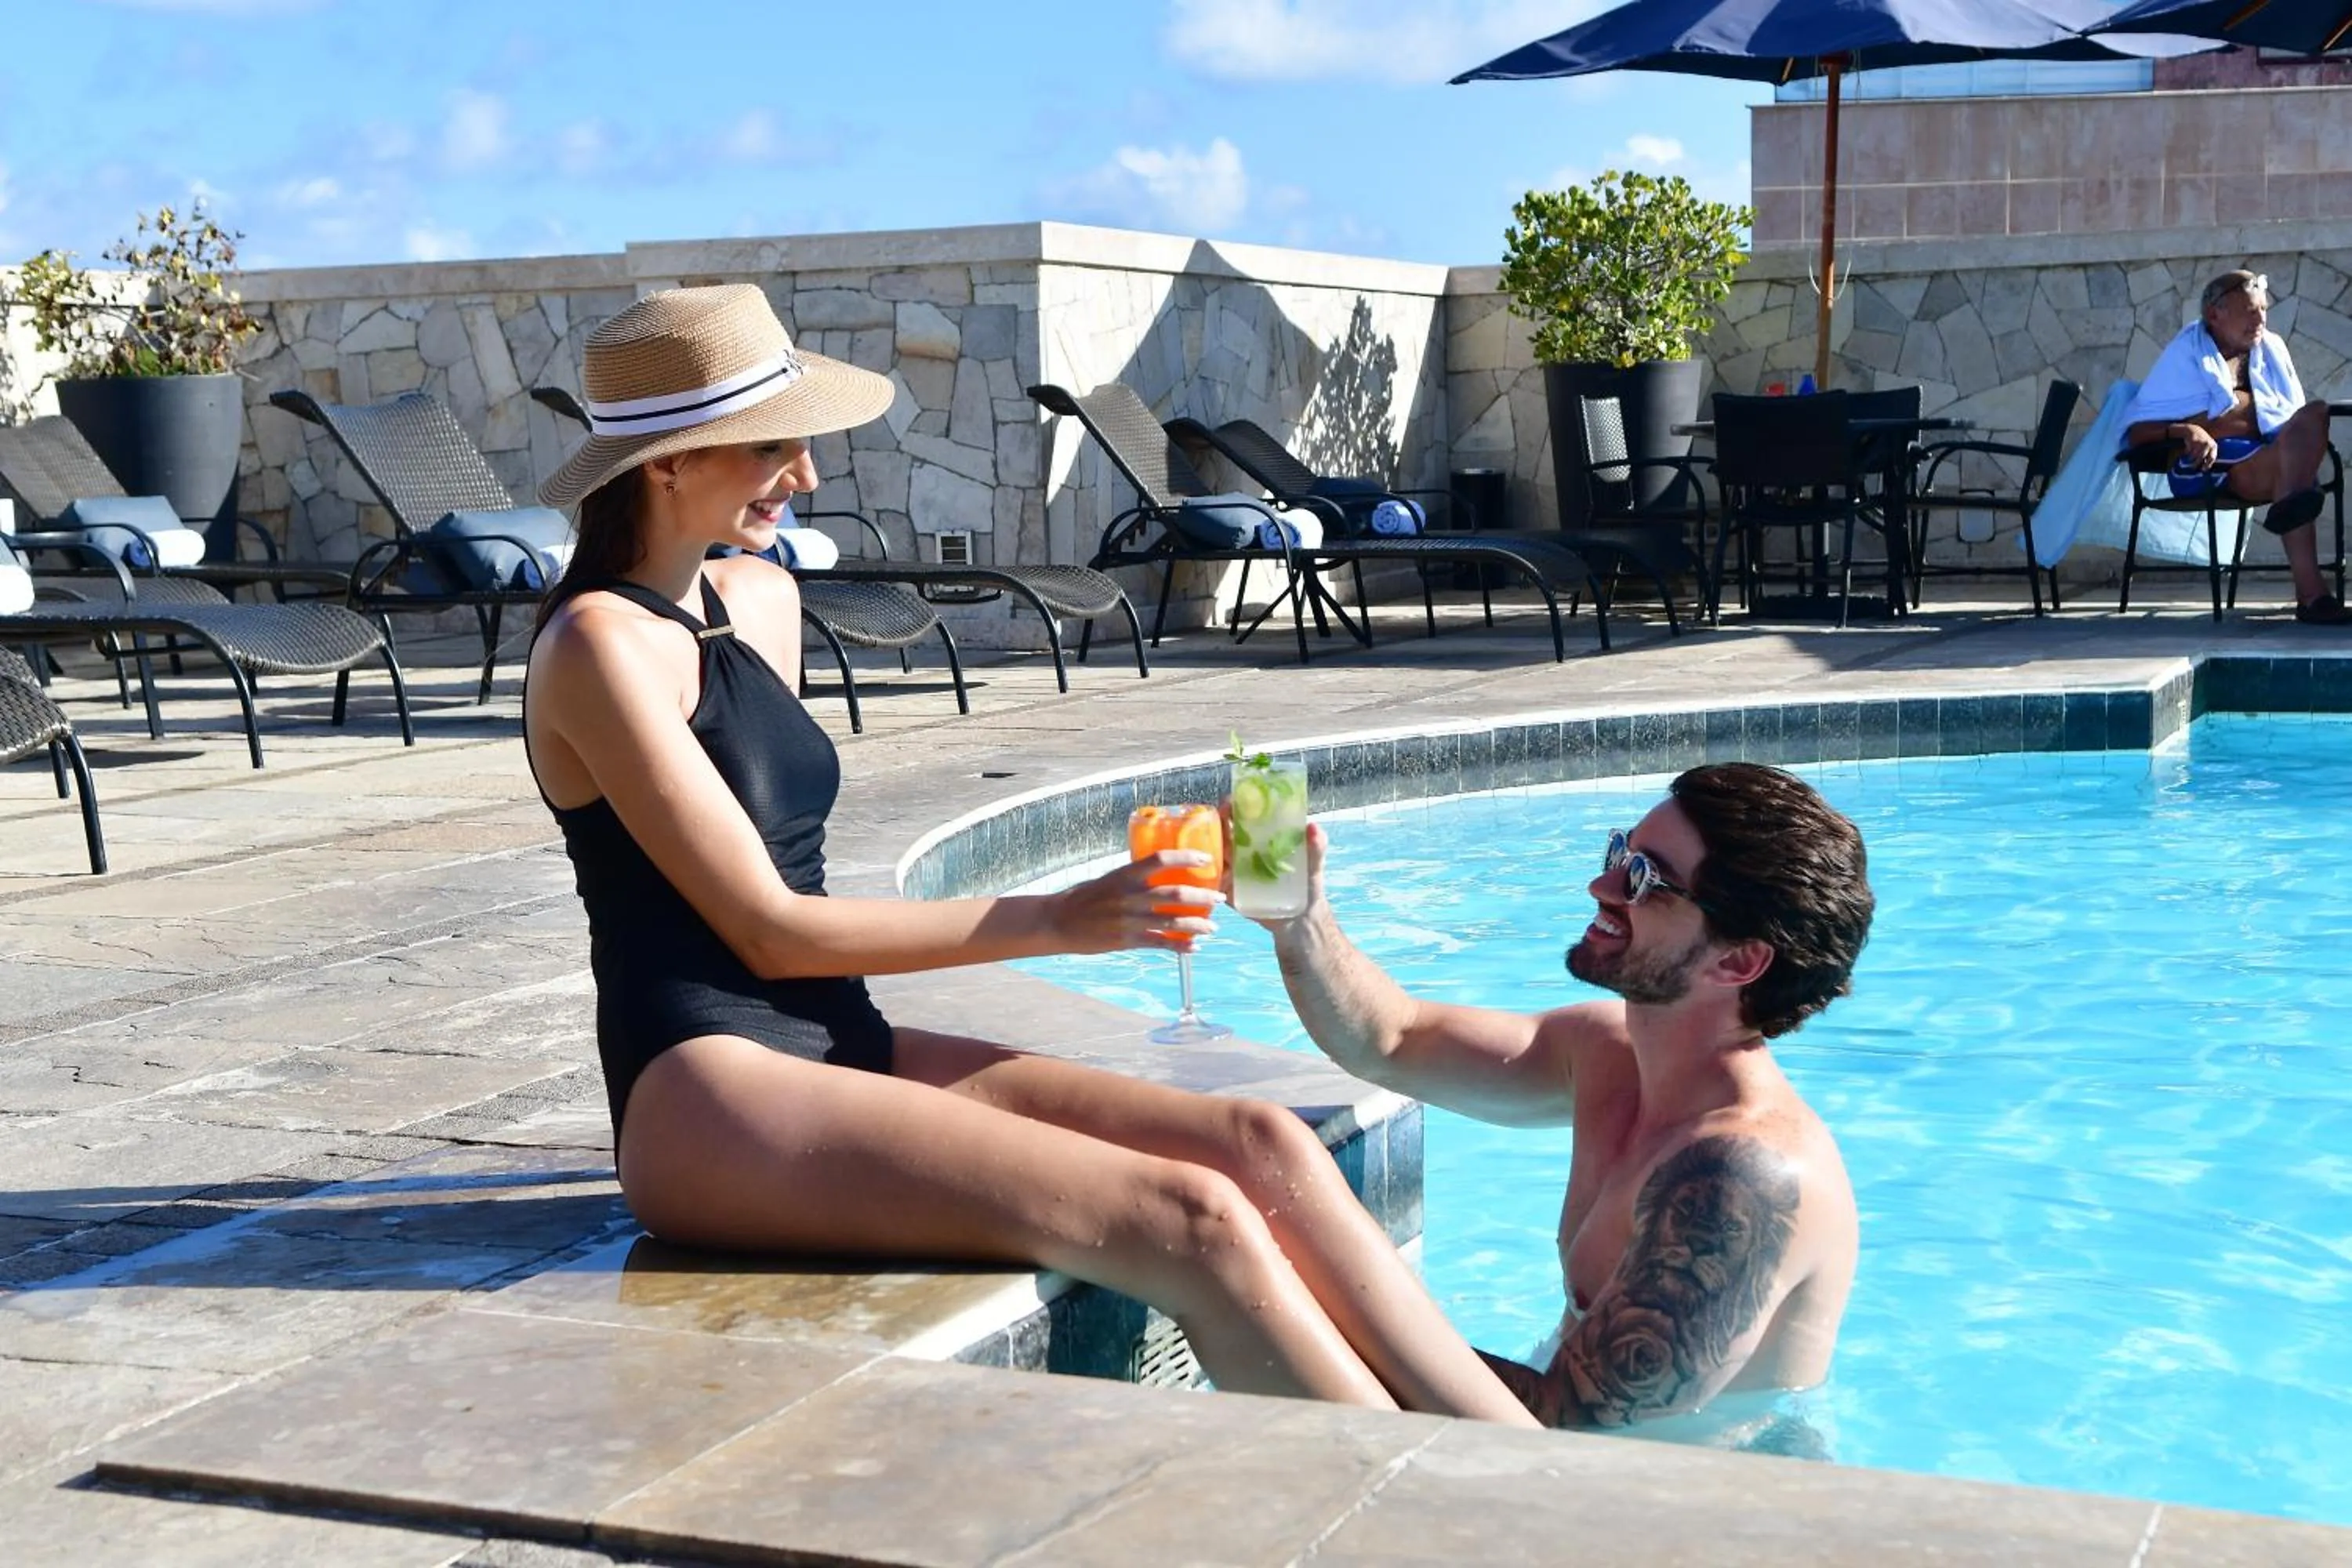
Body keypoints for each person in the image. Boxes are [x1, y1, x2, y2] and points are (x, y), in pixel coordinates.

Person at [521, 284, 1534, 1425]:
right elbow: (766, 928)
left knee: (1259, 1141)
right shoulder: (594, 647)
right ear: (669, 463)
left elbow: (783, 866)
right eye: (774, 446)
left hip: (837, 1044)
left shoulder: (755, 601)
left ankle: (1537, 1469)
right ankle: (1429, 1511)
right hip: (705, 1088)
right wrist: (1060, 917)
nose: (805, 475)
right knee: (1185, 1221)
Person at [1247, 763, 1871, 1429]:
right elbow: (1393, 1040)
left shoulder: (1743, 1177)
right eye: (1618, 853)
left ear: (1737, 962)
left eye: (1642, 879)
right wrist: (1300, 919)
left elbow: (1572, 1423)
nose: (1601, 886)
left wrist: (1285, 1302)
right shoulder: (1605, 1054)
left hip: (1676, 1505)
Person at [2120, 268, 2347, 626]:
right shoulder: (2186, 354)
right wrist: (2188, 430)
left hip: (2264, 457)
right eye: (2249, 310)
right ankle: (2313, 596)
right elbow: (2137, 434)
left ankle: (2295, 510)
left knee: (2315, 415)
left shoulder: (2270, 350)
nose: (2260, 319)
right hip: (2206, 466)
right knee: (2299, 478)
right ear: (2215, 315)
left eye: (2263, 309)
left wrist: (2240, 414)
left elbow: (2286, 416)